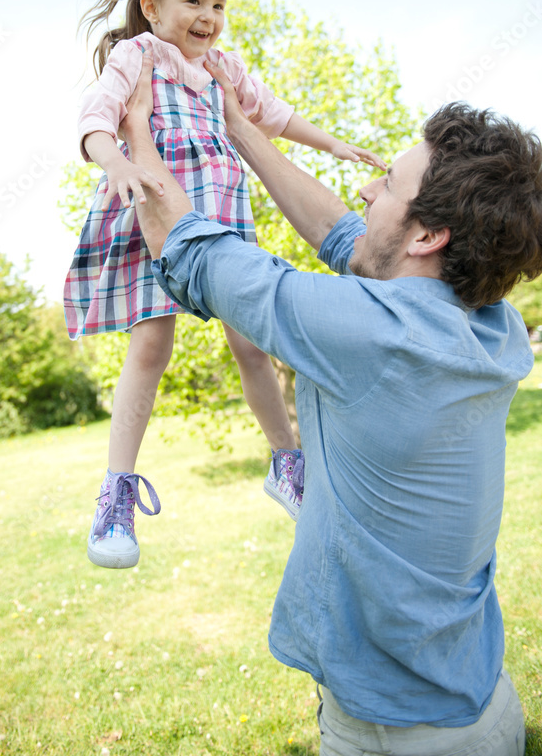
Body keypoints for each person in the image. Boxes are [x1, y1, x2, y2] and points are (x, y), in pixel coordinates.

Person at [117, 51, 542, 755]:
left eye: (387, 182)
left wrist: (136, 130)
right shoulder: (483, 321)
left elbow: (188, 248)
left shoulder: (370, 333)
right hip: (473, 705)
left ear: (427, 235)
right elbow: (344, 236)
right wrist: (240, 126)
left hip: (403, 737)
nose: (366, 190)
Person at [64, 0, 384, 570]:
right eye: (193, 1)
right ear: (153, 8)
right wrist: (119, 164)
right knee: (151, 347)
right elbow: (93, 121)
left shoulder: (224, 70)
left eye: (218, 4)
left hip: (224, 216)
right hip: (156, 207)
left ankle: (287, 464)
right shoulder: (137, 56)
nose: (208, 17)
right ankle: (115, 497)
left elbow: (277, 116)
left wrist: (335, 146)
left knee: (252, 344)